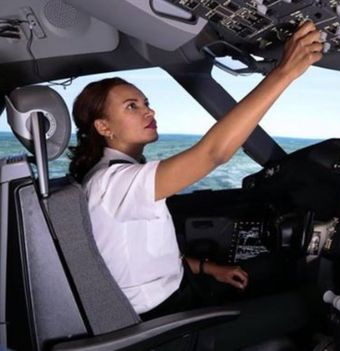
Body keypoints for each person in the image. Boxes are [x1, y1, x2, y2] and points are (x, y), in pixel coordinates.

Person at [68, 21, 323, 349]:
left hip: (181, 296)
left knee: (274, 270)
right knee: (307, 304)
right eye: (132, 106)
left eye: (145, 102)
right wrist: (284, 72)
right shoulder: (112, 183)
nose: (149, 110)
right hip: (166, 328)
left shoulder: (116, 175)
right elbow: (214, 153)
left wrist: (208, 267)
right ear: (103, 126)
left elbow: (142, 259)